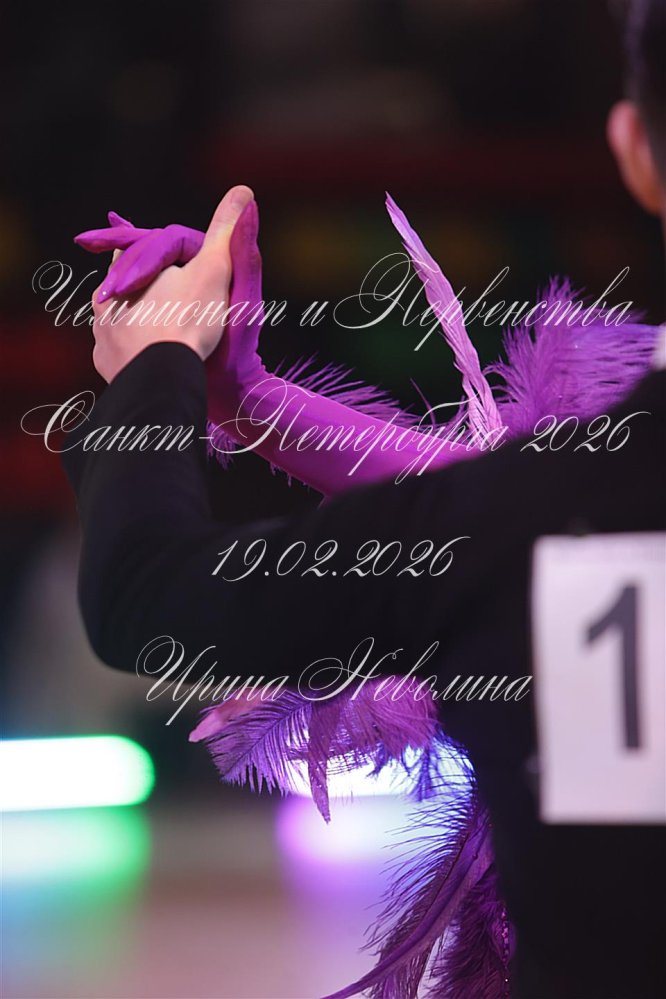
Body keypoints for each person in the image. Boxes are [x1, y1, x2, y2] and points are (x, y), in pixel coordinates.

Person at [63, 0, 665, 995]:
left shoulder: (552, 517)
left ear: (635, 150)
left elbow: (148, 591)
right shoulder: (544, 509)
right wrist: (252, 397)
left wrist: (158, 361)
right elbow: (489, 498)